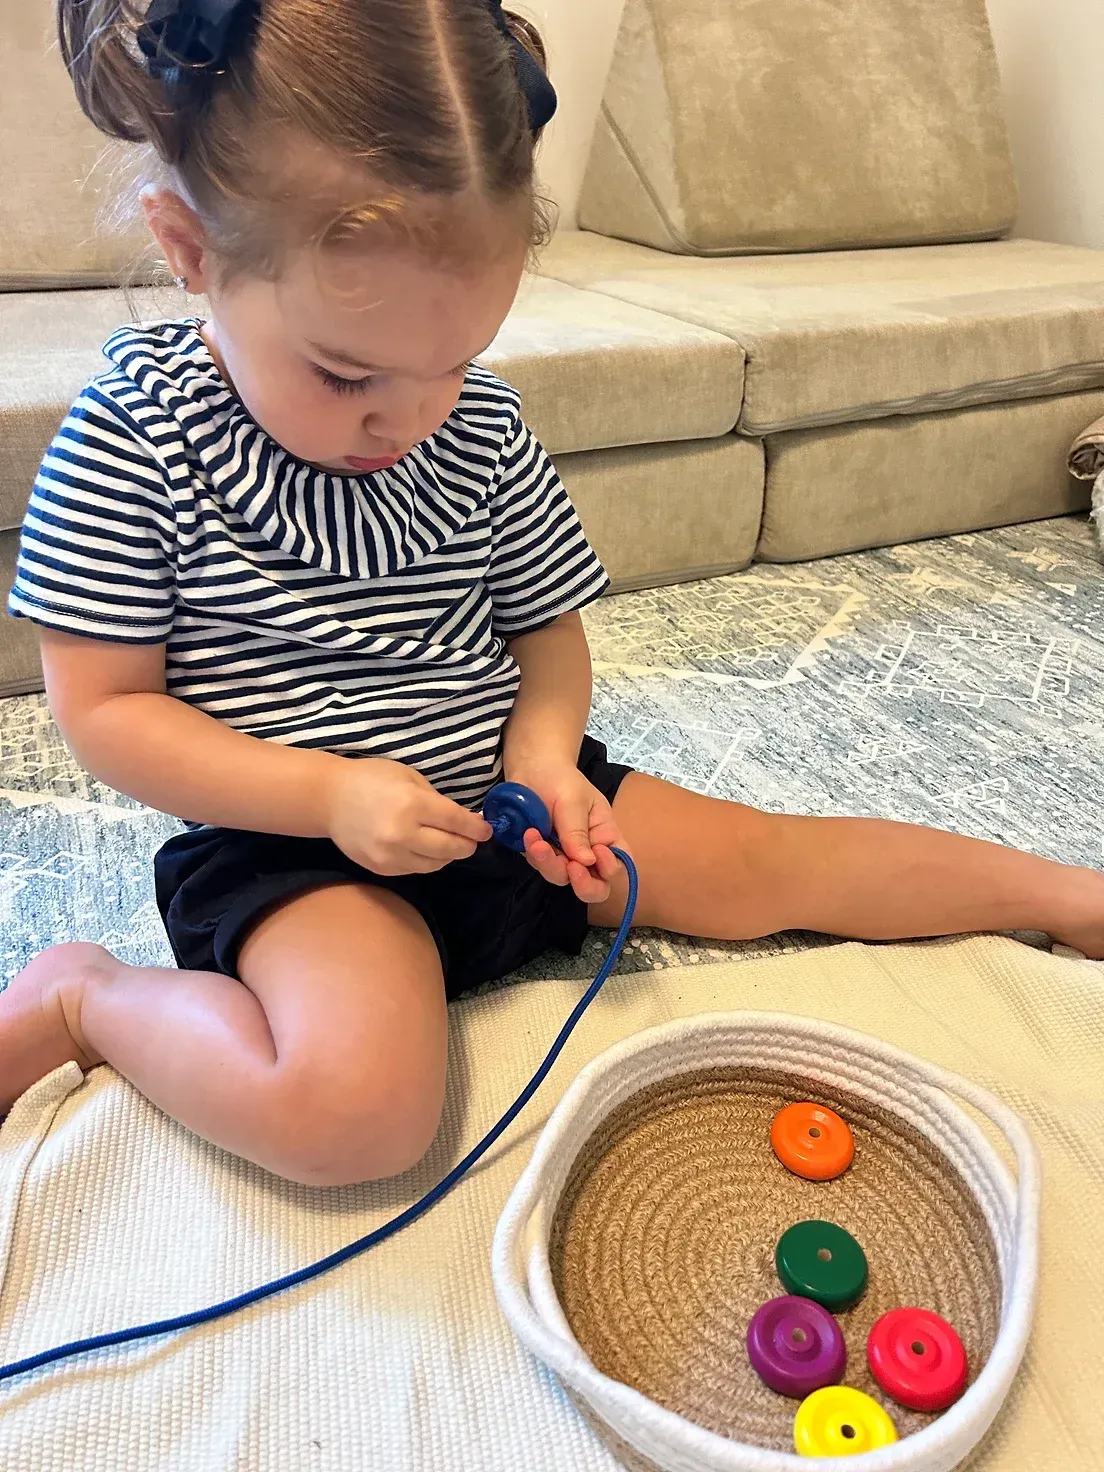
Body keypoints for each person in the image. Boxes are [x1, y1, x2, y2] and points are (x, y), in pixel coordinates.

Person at [2, 0, 1100, 1188]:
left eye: (456, 359)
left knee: (767, 864)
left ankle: (1061, 890)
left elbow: (546, 630)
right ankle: (87, 997)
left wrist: (542, 756)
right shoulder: (135, 438)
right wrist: (326, 793)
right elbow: (105, 710)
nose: (410, 416)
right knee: (355, 1114)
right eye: (348, 372)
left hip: (511, 803)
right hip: (298, 848)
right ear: (189, 249)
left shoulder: (476, 425)